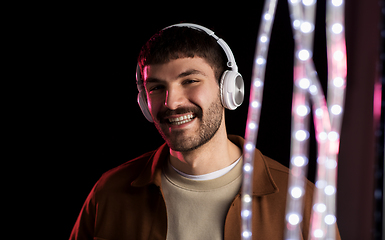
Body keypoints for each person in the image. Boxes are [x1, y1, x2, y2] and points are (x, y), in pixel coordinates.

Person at [70, 23, 340, 240]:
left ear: (229, 89)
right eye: (156, 88)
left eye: (190, 81)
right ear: (143, 101)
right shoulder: (109, 194)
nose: (172, 102)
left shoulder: (301, 201)